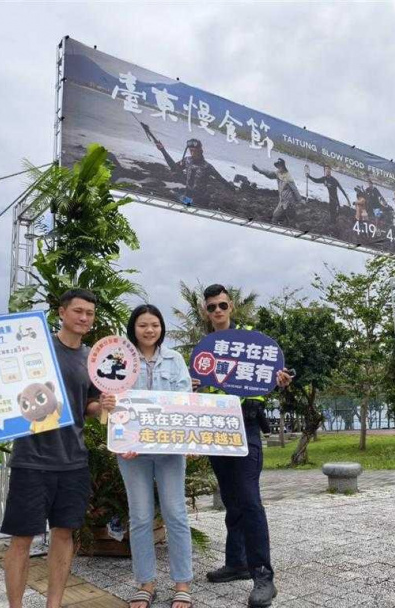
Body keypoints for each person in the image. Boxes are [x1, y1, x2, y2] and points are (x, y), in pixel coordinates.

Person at [0, 289, 114, 608]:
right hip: (31, 460)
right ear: (62, 312)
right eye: (78, 311)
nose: (84, 318)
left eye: (90, 313)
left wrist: (102, 404)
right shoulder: (34, 348)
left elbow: (89, 406)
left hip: (74, 460)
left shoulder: (92, 357)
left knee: (64, 535)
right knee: (21, 539)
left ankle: (54, 604)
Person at [193, 284, 293, 608]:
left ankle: (263, 575)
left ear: (231, 306)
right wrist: (192, 385)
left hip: (246, 427)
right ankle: (236, 563)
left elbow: (273, 372)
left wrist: (281, 379)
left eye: (222, 305)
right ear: (206, 311)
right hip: (215, 429)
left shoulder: (252, 340)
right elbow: (197, 391)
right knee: (231, 500)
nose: (218, 311)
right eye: (212, 307)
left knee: (250, 500)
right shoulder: (204, 348)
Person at [108, 304, 194, 608]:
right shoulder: (119, 360)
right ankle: (145, 583)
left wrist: (186, 440)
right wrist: (121, 439)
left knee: (176, 514)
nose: (149, 330)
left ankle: (182, 584)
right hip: (132, 453)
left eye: (154, 325)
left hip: (170, 451)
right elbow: (113, 407)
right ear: (133, 328)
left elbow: (185, 402)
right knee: (141, 517)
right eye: (143, 325)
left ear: (161, 328)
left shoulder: (175, 360)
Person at [145, 127, 234, 207]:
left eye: (194, 151)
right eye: (190, 150)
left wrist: (232, 189)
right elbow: (173, 167)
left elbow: (220, 179)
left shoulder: (207, 167)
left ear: (200, 150)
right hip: (187, 196)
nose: (192, 153)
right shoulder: (187, 160)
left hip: (201, 200)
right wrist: (162, 150)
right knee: (167, 197)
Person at [252, 159, 302, 226]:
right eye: (278, 166)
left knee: (285, 216)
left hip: (289, 201)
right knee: (276, 215)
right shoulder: (278, 173)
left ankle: (286, 226)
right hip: (282, 200)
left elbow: (295, 189)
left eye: (280, 166)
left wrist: (299, 199)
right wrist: (259, 170)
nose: (279, 168)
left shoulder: (288, 177)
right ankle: (277, 225)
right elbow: (269, 174)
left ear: (283, 166)